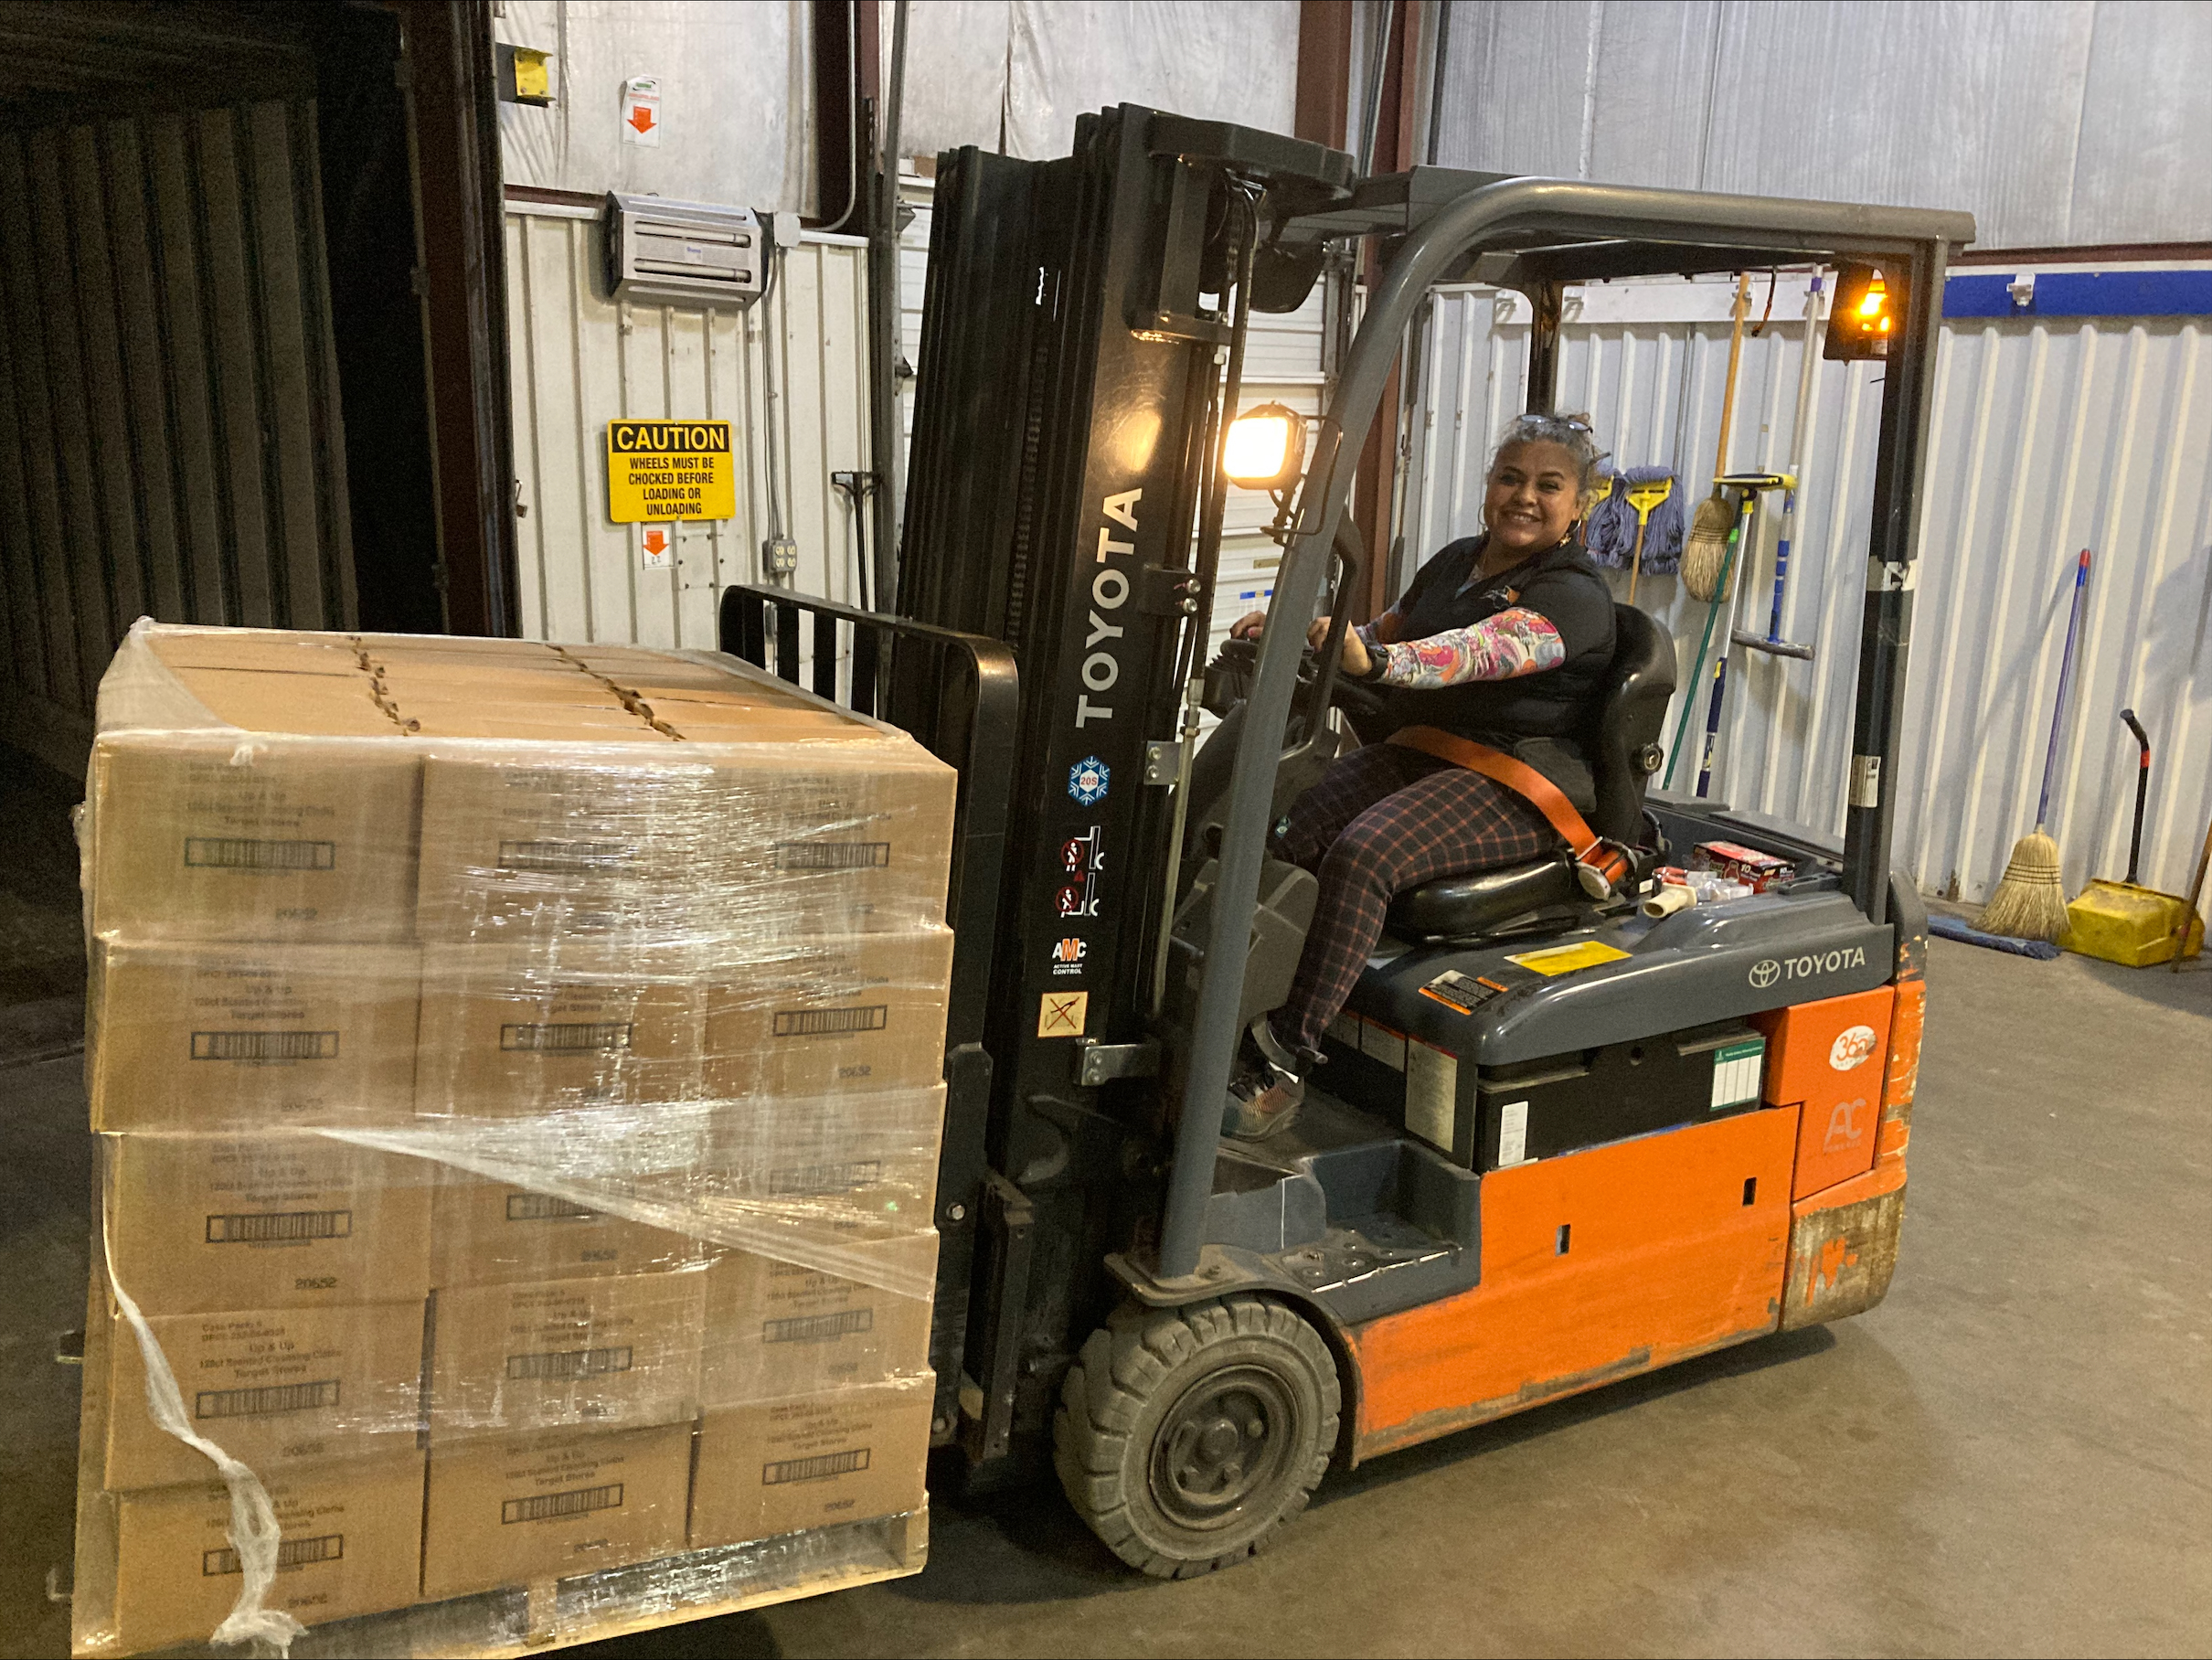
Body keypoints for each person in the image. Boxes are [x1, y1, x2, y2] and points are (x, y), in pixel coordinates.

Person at [1220, 410, 1619, 1140]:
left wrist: (1376, 663)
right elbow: (1386, 633)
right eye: (1510, 478)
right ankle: (1231, 1005)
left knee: (1367, 853)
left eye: (1548, 485)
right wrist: (1303, 630)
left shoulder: (1572, 596)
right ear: (1488, 485)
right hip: (1430, 749)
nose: (1524, 496)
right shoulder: (1455, 562)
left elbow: (1475, 652)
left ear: (1579, 505)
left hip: (1519, 780)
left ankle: (1285, 1058)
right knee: (1284, 821)